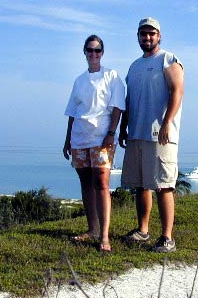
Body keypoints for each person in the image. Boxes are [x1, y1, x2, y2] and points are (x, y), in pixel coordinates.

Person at [119, 17, 184, 253]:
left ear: (159, 36)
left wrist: (167, 123)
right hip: (137, 132)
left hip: (160, 134)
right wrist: (123, 127)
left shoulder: (168, 59)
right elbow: (128, 100)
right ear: (138, 36)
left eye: (152, 34)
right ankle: (143, 230)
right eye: (143, 34)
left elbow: (178, 91)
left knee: (164, 185)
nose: (147, 38)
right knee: (141, 185)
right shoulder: (134, 66)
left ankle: (167, 237)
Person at [63, 34, 125, 252]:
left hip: (102, 137)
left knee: (102, 183)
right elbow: (73, 112)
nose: (93, 54)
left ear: (103, 52)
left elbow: (118, 107)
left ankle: (104, 236)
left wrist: (111, 132)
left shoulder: (112, 76)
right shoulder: (79, 80)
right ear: (84, 52)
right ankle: (92, 229)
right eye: (90, 50)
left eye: (97, 50)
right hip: (80, 137)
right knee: (86, 183)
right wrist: (67, 140)